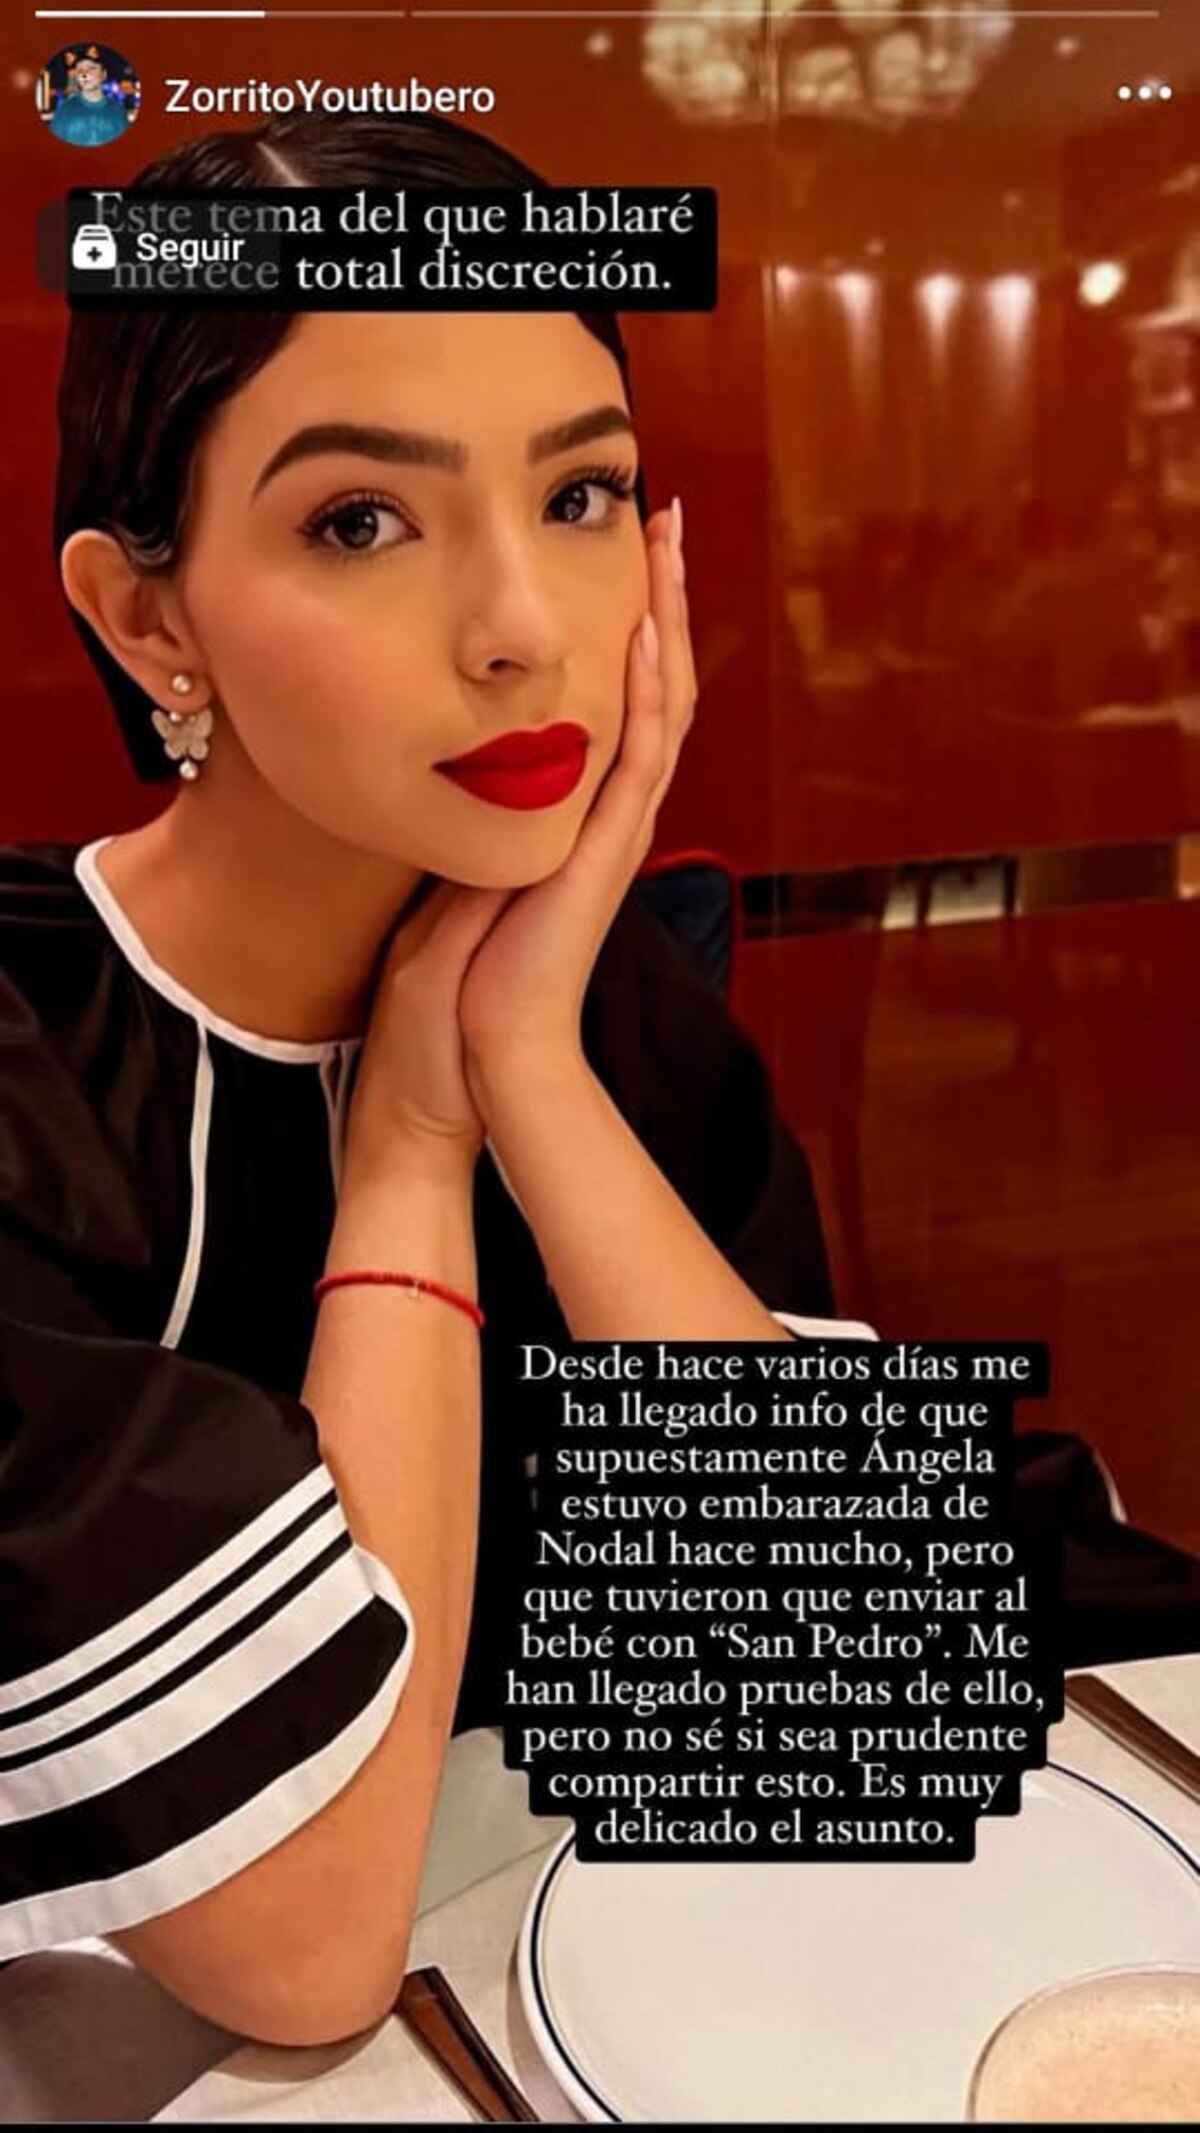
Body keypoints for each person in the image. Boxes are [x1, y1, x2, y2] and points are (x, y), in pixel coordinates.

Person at [0, 112, 840, 2049]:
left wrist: (525, 1060)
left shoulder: (604, 1007)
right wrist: (408, 1142)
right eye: (362, 521)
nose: (525, 629)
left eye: (584, 494)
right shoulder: (29, 1067)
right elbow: (306, 1951)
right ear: (147, 617)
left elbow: (824, 1643)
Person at [47, 47, 131, 148]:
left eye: (91, 68)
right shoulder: (64, 110)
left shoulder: (119, 111)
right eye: (79, 70)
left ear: (103, 75)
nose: (84, 74)